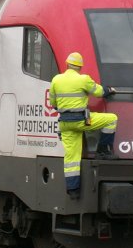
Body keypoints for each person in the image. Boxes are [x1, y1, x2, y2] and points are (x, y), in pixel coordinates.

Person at [49, 52, 118, 200]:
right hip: (81, 121)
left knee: (71, 158)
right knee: (111, 119)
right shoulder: (83, 79)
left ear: (67, 64)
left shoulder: (56, 80)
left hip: (65, 124)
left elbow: (53, 103)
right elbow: (99, 92)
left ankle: (73, 190)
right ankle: (103, 151)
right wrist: (109, 90)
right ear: (80, 67)